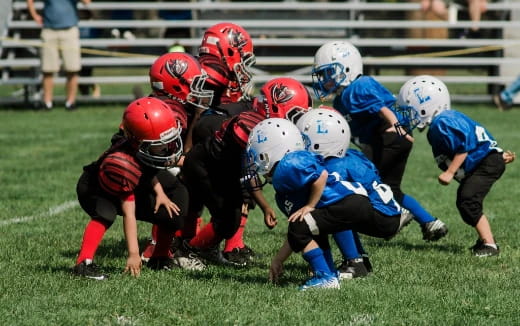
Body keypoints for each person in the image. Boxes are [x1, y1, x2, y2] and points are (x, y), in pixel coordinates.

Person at [311, 40, 448, 242]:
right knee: (389, 189)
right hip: (384, 140)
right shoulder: (341, 99)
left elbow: (382, 109)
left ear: (347, 67)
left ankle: (393, 217)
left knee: (366, 184)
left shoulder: (359, 86)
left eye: (328, 73)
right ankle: (429, 222)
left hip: (390, 136)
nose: (324, 80)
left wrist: (398, 129)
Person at [245, 118, 402, 290]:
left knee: (302, 224)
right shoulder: (285, 176)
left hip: (349, 204)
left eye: (256, 155)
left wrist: (311, 205)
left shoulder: (289, 164)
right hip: (351, 205)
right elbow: (297, 234)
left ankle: (325, 277)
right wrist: (278, 260)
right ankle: (328, 274)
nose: (253, 161)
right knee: (308, 227)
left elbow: (322, 175)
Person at [72, 97, 193, 280]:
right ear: (140, 143)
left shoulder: (142, 148)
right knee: (105, 214)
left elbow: (147, 167)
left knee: (177, 196)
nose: (168, 146)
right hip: (96, 189)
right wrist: (133, 254)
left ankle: (160, 257)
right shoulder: (123, 164)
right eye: (161, 144)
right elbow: (129, 212)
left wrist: (160, 193)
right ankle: (83, 263)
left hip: (137, 175)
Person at [397, 75, 516, 256]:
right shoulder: (446, 119)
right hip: (487, 160)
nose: (407, 115)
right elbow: (476, 139)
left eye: (410, 109)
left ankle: (490, 245)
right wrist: (497, 153)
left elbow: (464, 146)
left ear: (425, 107)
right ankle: (485, 241)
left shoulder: (442, 123)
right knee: (468, 200)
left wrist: (450, 172)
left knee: (468, 200)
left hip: (485, 162)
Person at [296, 107, 412, 279]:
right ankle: (361, 260)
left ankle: (354, 262)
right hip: (389, 210)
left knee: (333, 207)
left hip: (381, 216)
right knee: (344, 206)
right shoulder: (353, 155)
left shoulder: (333, 167)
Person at [26, 0, 91, 111]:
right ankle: (47, 103)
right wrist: (34, 15)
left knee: (72, 69)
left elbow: (87, 2)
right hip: (49, 30)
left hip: (70, 30)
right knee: (48, 70)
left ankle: (70, 103)